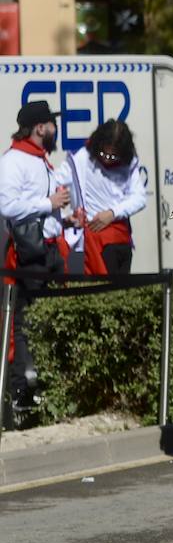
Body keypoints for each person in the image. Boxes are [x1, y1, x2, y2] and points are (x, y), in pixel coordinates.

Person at [0, 101, 69, 405]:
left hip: (50, 251)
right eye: (51, 124)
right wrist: (48, 203)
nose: (55, 129)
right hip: (30, 254)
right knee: (24, 323)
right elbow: (7, 207)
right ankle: (21, 391)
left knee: (52, 320)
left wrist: (64, 215)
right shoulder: (14, 160)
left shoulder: (40, 159)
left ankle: (48, 383)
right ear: (40, 128)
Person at [60, 119, 145, 275]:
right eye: (103, 153)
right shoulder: (82, 158)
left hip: (122, 239)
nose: (107, 158)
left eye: (113, 157)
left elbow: (140, 198)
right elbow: (55, 184)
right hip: (96, 241)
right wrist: (66, 216)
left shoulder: (129, 163)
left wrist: (112, 213)